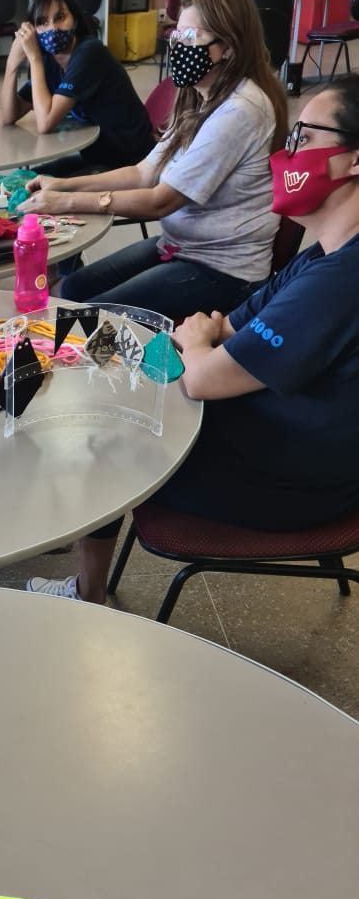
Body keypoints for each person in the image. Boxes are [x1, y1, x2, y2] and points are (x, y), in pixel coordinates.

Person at [27, 76, 359, 605]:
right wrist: (182, 349)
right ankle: (73, 530)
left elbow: (204, 374)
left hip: (288, 482)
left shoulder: (339, 279)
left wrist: (198, 350)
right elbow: (223, 327)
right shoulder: (323, 256)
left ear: (353, 159)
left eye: (304, 137)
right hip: (272, 430)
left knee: (103, 431)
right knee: (104, 353)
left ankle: (87, 594)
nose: (287, 153)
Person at [19, 0, 288, 323]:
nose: (179, 46)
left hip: (222, 270)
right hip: (181, 245)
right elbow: (143, 172)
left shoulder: (241, 110)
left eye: (191, 37)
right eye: (177, 35)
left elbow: (160, 201)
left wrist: (68, 202)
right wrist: (61, 184)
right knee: (72, 290)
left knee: (86, 319)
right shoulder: (200, 96)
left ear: (229, 47)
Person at [0, 0, 154, 172]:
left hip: (130, 162)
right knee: (23, 180)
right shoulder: (49, 61)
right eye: (42, 22)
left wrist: (34, 59)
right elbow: (9, 116)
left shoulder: (89, 53)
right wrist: (12, 64)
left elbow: (45, 122)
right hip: (98, 157)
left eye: (60, 17)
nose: (53, 29)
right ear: (34, 30)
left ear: (74, 20)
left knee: (37, 187)